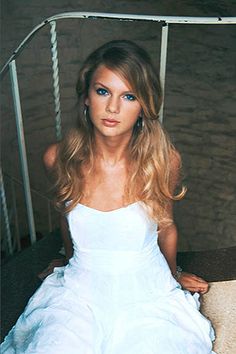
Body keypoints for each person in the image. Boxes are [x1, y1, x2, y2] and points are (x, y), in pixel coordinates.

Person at [1, 40, 215, 353]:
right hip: (79, 292)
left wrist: (173, 277)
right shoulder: (57, 157)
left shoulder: (164, 160)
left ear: (143, 106)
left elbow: (166, 227)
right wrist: (73, 260)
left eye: (128, 96)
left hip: (147, 291)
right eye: (103, 91)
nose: (113, 108)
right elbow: (67, 216)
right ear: (86, 97)